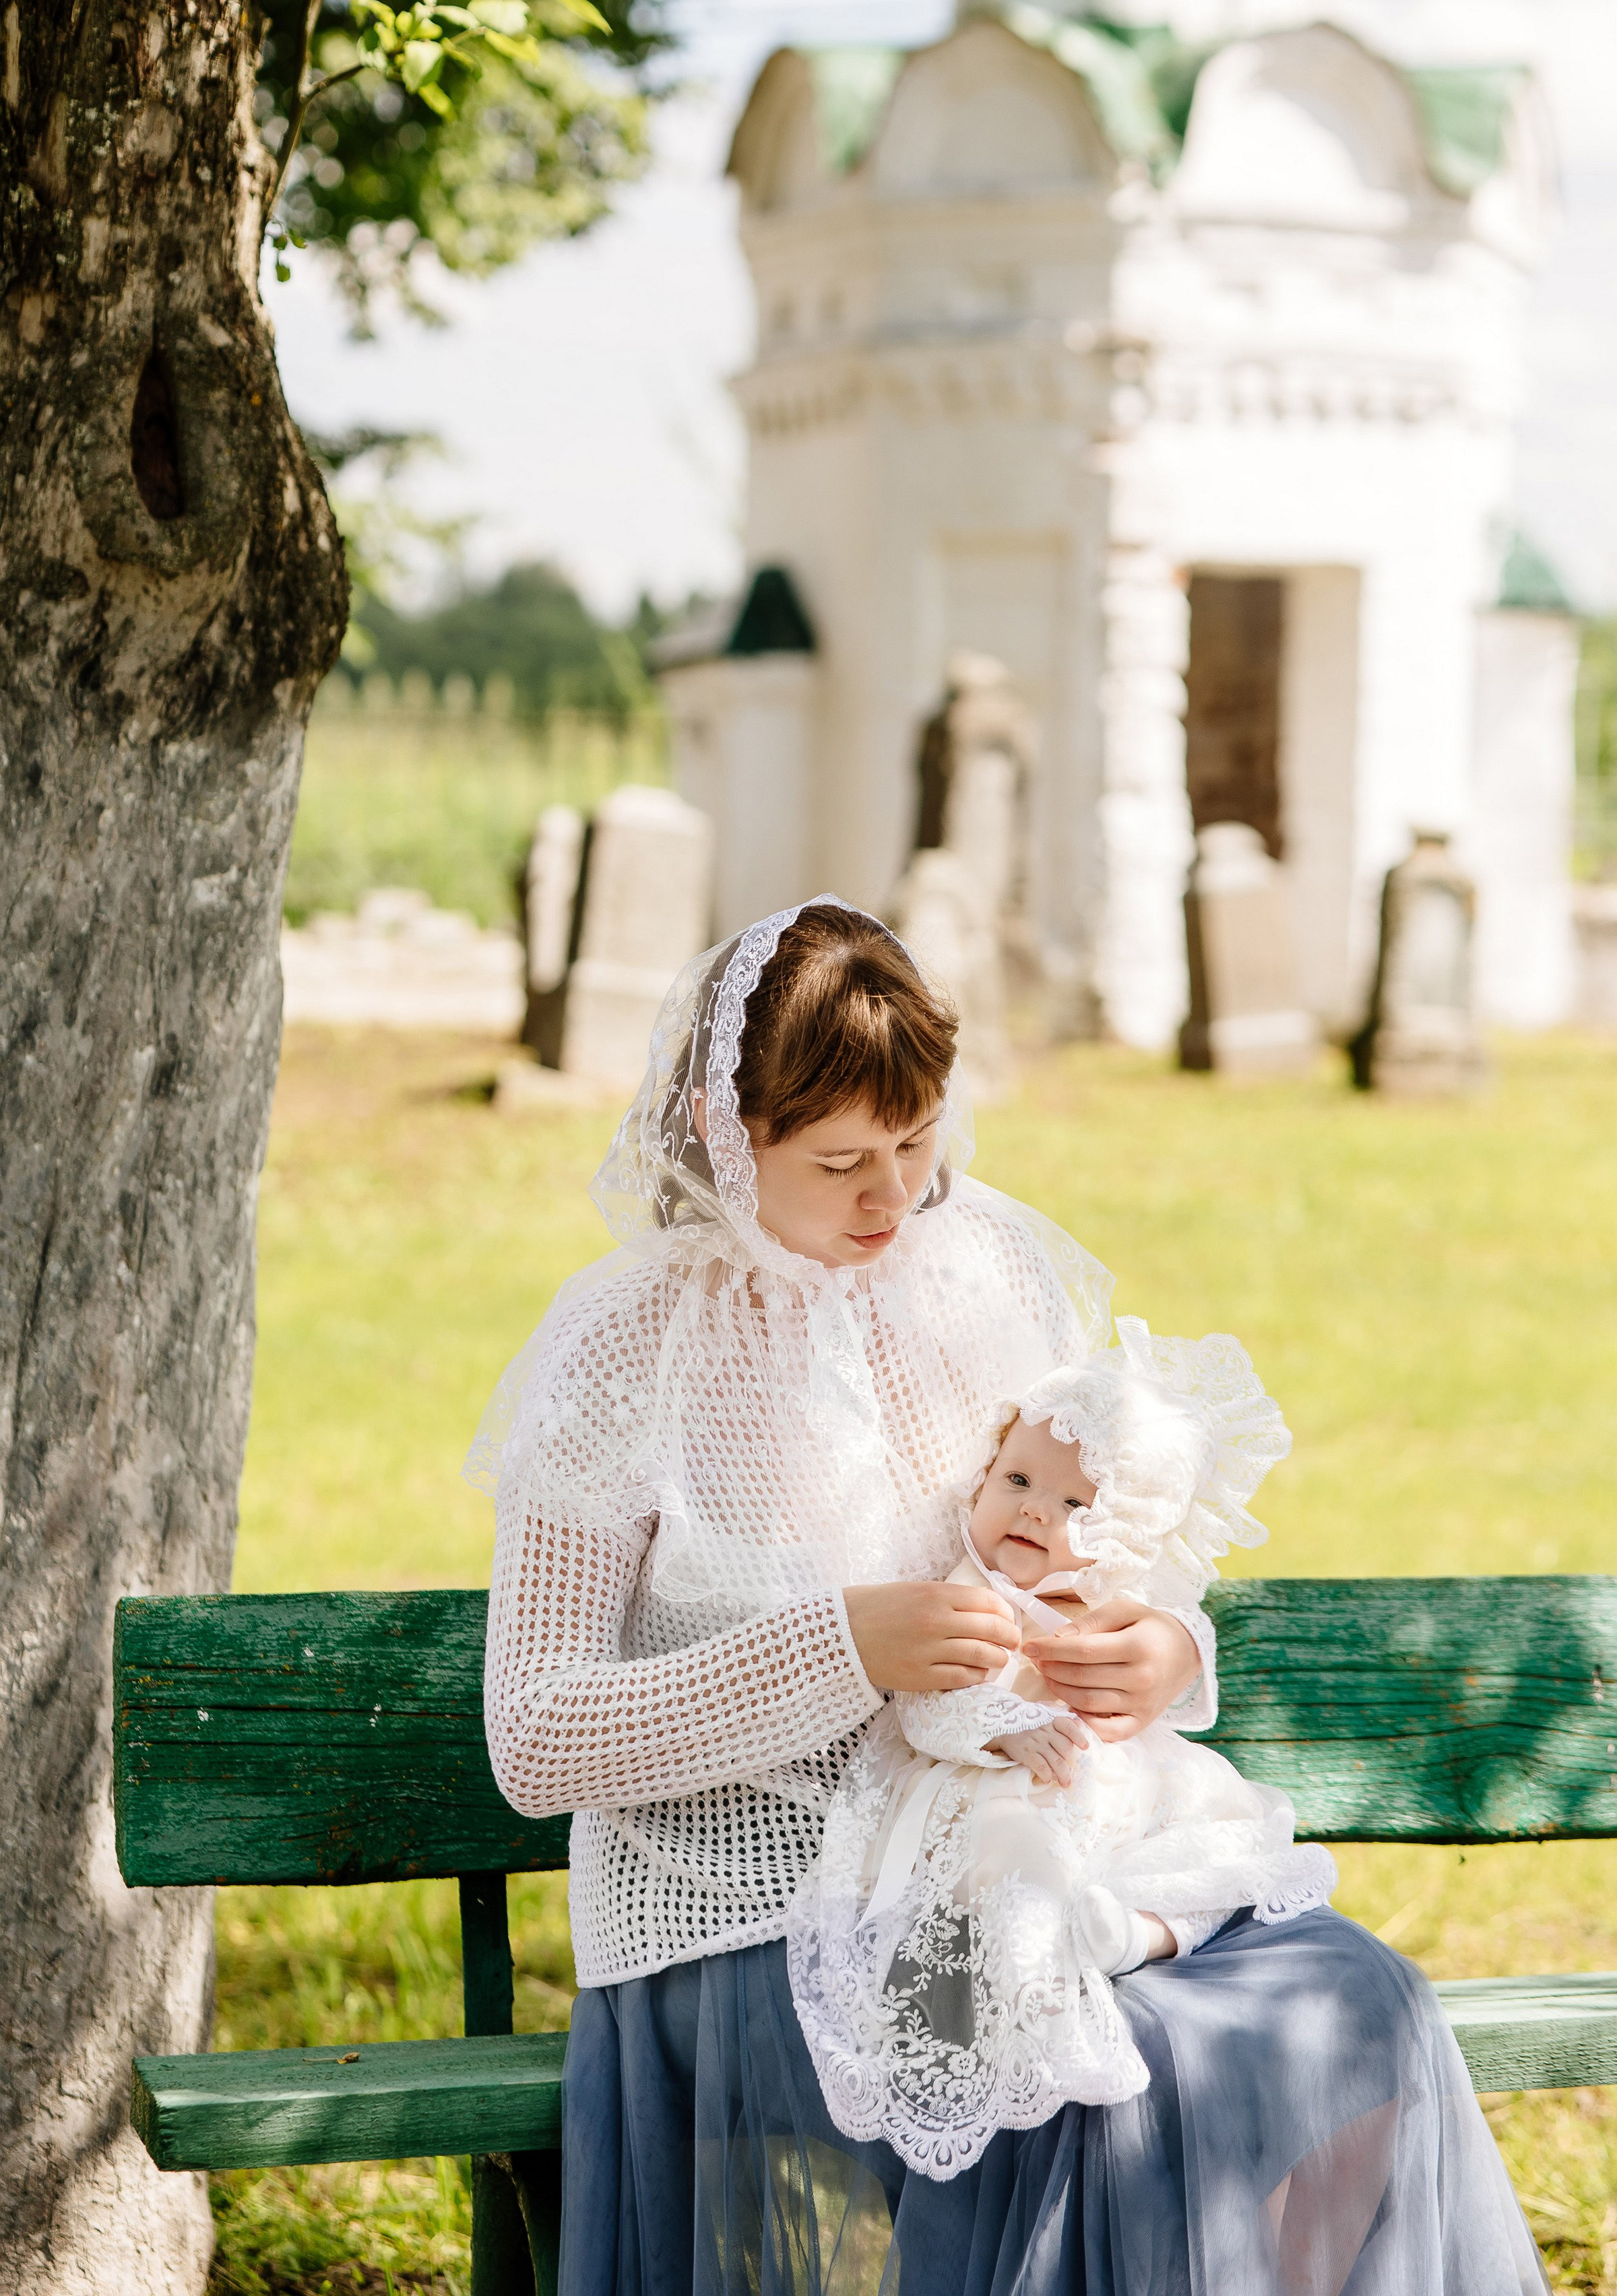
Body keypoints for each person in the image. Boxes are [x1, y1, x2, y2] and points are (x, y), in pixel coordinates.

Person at [468, 896, 1546, 2296]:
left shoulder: (986, 1274)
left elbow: (1101, 1542)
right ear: (715, 1133)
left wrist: (1157, 1648)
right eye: (841, 1160)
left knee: (1360, 2005)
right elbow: (537, 1737)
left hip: (1047, 1870)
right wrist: (845, 1646)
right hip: (761, 1922)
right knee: (1114, 2081)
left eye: (916, 1144)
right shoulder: (625, 1347)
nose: (891, 1199)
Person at [787, 1337, 1338, 2181]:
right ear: (984, 1476)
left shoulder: (1107, 1601)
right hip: (990, 1794)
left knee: (1231, 1828)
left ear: (1123, 1531)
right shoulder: (970, 1594)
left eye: (1077, 1504)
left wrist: (1178, 1640)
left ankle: (1147, 1933)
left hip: (1111, 1794)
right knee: (1015, 1858)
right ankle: (1040, 1989)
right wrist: (1001, 1726)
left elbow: (1170, 1637)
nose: (1035, 1511)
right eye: (1017, 1481)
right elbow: (925, 1709)